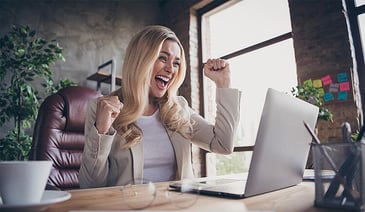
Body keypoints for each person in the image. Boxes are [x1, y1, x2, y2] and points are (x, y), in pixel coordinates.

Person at [79, 25, 241, 188]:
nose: (171, 69)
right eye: (163, 58)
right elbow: (90, 186)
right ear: (140, 60)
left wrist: (223, 84)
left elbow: (223, 144)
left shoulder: (179, 108)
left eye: (176, 63)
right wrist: (101, 130)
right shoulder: (102, 108)